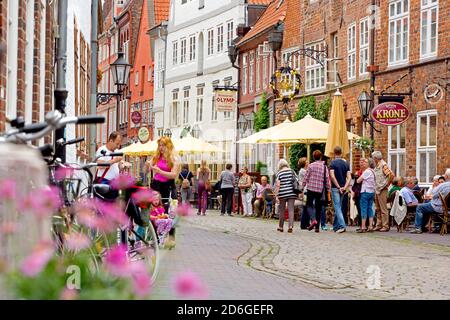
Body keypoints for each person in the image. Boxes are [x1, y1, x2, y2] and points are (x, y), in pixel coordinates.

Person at [411, 169, 450, 234]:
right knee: (426, 206)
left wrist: (434, 187)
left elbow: (433, 194)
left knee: (420, 207)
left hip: (440, 207)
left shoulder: (443, 185)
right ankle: (423, 227)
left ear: (446, 176)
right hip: (447, 209)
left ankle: (418, 228)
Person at [145, 136, 180, 207]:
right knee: (155, 209)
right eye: (159, 145)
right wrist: (147, 166)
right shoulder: (156, 157)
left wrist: (160, 171)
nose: (161, 147)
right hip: (156, 185)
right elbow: (147, 170)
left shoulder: (174, 158)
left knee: (169, 209)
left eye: (163, 145)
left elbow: (174, 175)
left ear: (169, 146)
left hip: (168, 186)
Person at [302, 150, 331, 233]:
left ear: (313, 157)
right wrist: (328, 189)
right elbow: (327, 179)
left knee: (309, 205)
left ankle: (313, 220)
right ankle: (317, 228)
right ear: (321, 157)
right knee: (318, 208)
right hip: (320, 189)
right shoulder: (324, 167)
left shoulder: (310, 166)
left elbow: (306, 177)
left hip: (311, 188)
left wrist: (302, 186)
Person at [329, 146, 351, 233]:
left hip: (336, 188)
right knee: (340, 207)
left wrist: (338, 187)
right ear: (341, 153)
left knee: (337, 207)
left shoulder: (332, 163)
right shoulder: (346, 163)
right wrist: (344, 187)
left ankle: (342, 225)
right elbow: (349, 177)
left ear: (334, 153)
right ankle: (335, 226)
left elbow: (332, 176)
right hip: (344, 188)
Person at [372, 151, 394, 232]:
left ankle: (385, 225)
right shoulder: (377, 165)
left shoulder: (383, 165)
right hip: (377, 189)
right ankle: (379, 224)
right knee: (378, 208)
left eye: (373, 158)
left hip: (382, 189)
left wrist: (387, 184)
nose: (373, 159)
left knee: (383, 208)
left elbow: (391, 175)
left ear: (376, 158)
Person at [275, 159, 298, 233]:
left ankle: (281, 227)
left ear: (280, 165)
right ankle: (290, 226)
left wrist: (277, 195)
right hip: (291, 192)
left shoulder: (279, 173)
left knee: (282, 210)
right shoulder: (292, 171)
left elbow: (278, 185)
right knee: (291, 209)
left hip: (282, 193)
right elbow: (296, 180)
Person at [356, 158, 376, 233]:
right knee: (370, 209)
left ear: (369, 164)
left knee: (363, 209)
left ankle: (363, 226)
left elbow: (358, 181)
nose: (364, 163)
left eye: (366, 162)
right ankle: (370, 226)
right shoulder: (373, 171)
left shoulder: (367, 171)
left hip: (365, 191)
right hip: (372, 192)